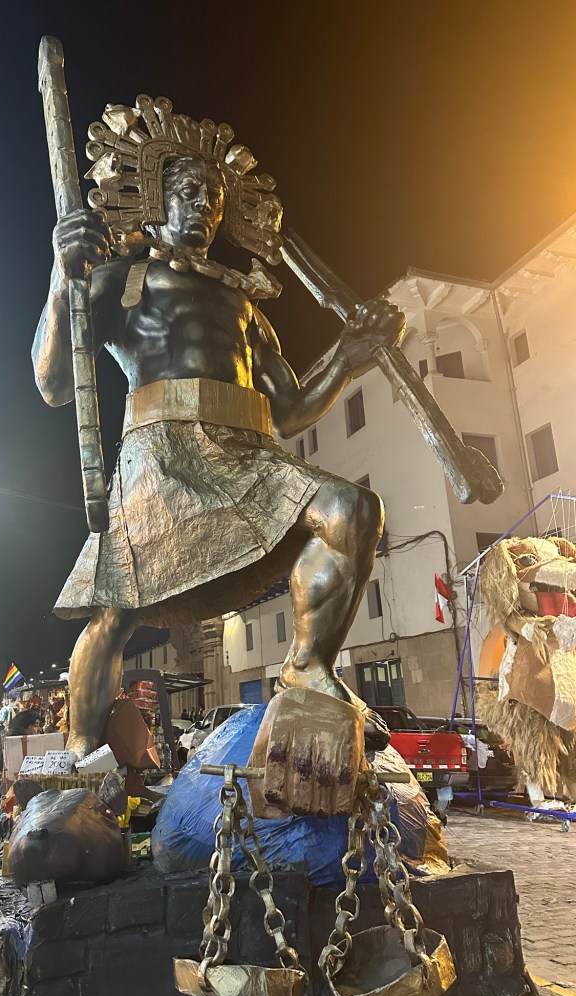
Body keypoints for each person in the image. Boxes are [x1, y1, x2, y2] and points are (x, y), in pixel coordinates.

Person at [33, 112, 403, 763]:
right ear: (156, 199)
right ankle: (81, 752)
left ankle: (308, 667)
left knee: (352, 509)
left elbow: (290, 411)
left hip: (248, 454)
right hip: (160, 454)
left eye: (214, 196)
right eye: (189, 191)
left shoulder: (244, 304)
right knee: (115, 611)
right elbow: (54, 383)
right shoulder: (123, 279)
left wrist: (348, 356)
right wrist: (63, 284)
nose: (204, 204)